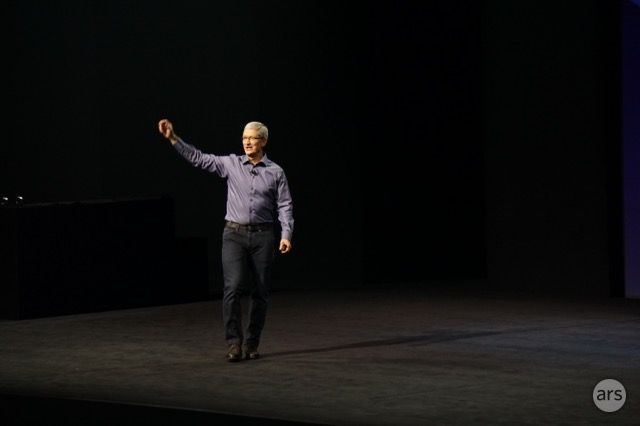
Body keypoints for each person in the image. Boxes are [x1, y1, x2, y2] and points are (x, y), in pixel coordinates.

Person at [158, 118, 294, 362]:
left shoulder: (275, 172)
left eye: (252, 138)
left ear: (263, 141)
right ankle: (234, 343)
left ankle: (252, 342)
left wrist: (286, 235)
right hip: (234, 235)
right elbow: (199, 158)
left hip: (263, 236)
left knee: (261, 291)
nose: (247, 142)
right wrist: (173, 139)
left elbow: (284, 205)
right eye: (244, 138)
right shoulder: (231, 164)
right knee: (232, 287)